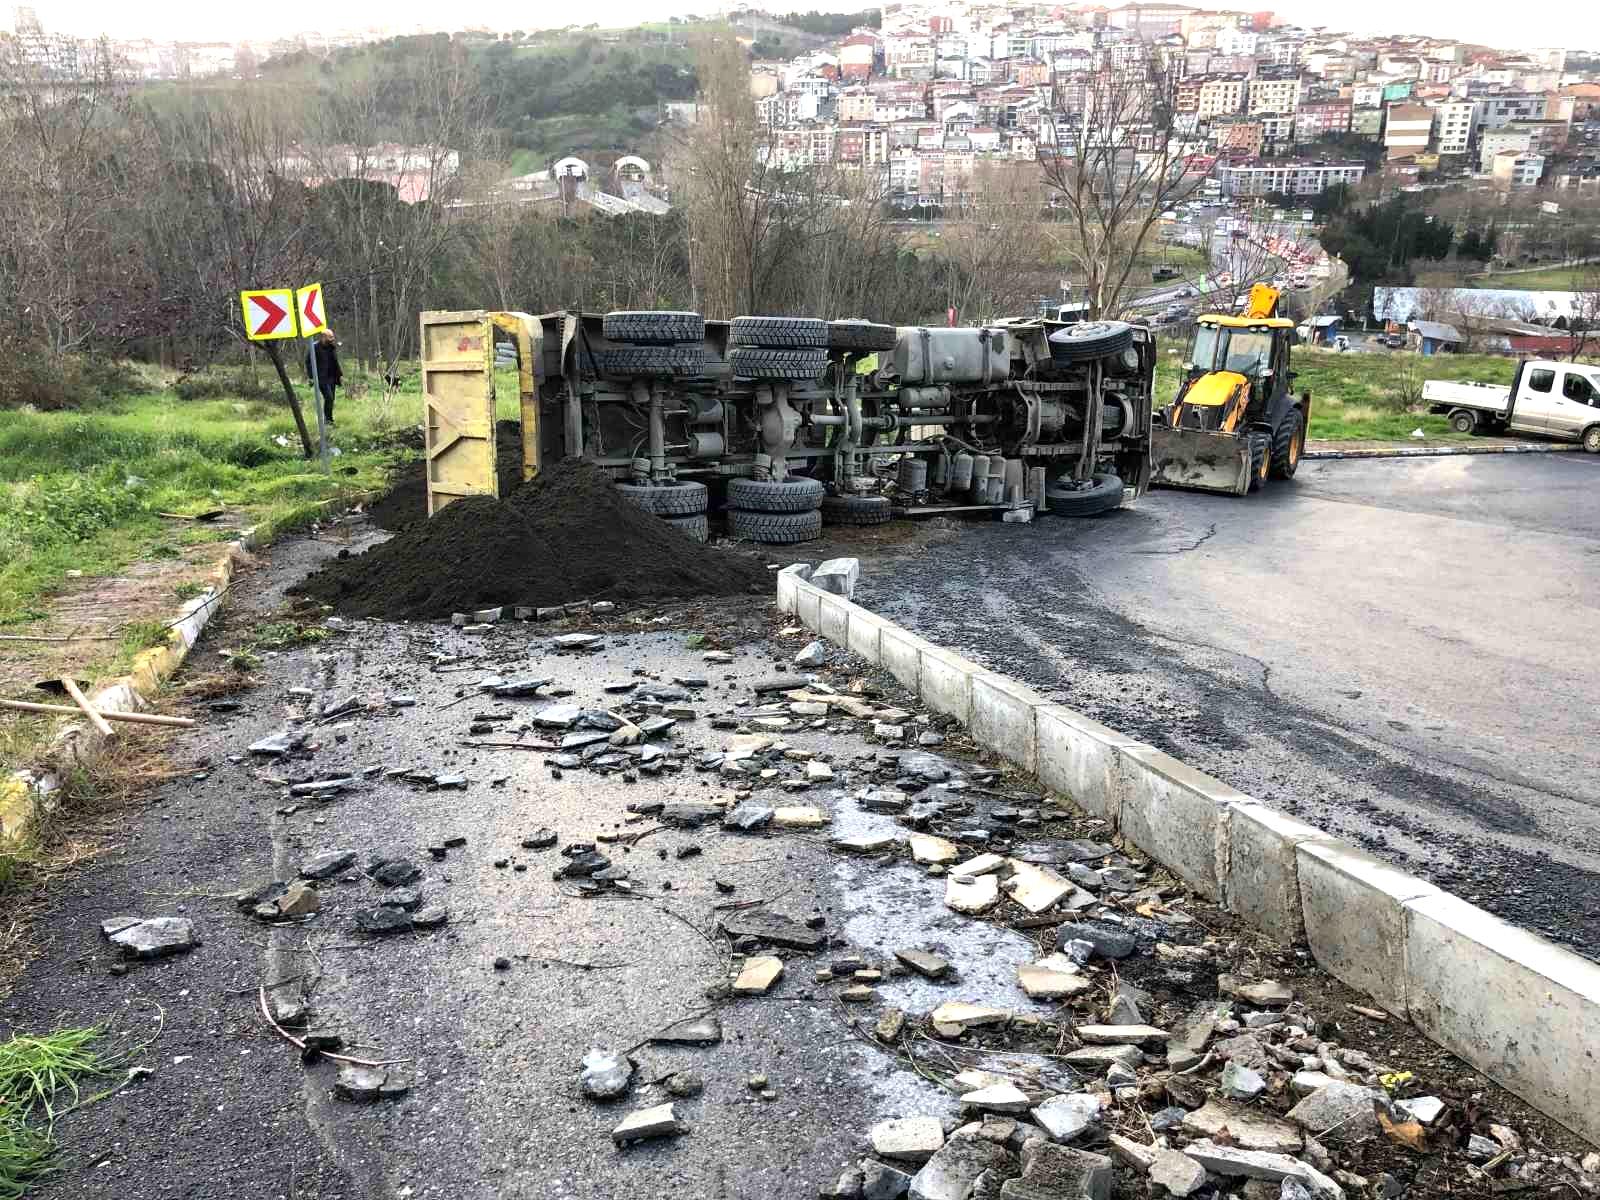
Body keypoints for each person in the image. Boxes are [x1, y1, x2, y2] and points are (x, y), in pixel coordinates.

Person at [305, 329, 343, 425]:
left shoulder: (331, 347)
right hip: (321, 378)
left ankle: (329, 419)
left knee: (331, 399)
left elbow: (335, 361)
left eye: (332, 337)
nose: (332, 339)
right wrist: (311, 377)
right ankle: (327, 420)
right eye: (330, 337)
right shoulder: (314, 347)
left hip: (332, 377)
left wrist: (339, 375)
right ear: (323, 337)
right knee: (329, 397)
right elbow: (308, 362)